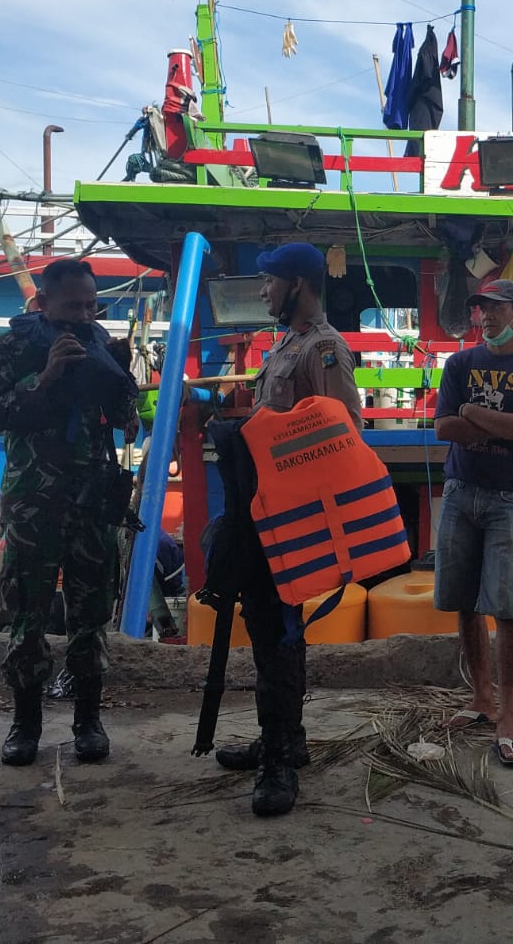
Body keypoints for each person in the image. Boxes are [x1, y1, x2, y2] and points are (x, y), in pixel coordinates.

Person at [213, 242, 361, 817]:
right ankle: (287, 740)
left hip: (291, 520)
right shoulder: (287, 345)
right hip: (266, 514)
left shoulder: (323, 347)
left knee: (277, 632)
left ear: (297, 283)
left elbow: (341, 431)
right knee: (271, 629)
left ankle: (277, 762)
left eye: (270, 281)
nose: (262, 291)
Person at [0, 258, 138, 769]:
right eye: (73, 306)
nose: (84, 315)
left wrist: (123, 384)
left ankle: (88, 722)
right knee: (28, 613)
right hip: (34, 501)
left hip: (91, 500)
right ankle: (25, 725)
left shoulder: (98, 342)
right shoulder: (11, 348)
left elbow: (125, 421)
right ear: (43, 303)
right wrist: (43, 378)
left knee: (91, 614)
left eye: (91, 306)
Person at [432, 279, 513, 768]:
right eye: (481, 308)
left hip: (510, 498)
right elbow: (444, 428)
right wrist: (507, 427)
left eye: (496, 308)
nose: (485, 316)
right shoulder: (459, 363)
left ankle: (508, 717)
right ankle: (481, 699)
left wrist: (471, 411)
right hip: (460, 491)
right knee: (464, 603)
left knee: (506, 608)